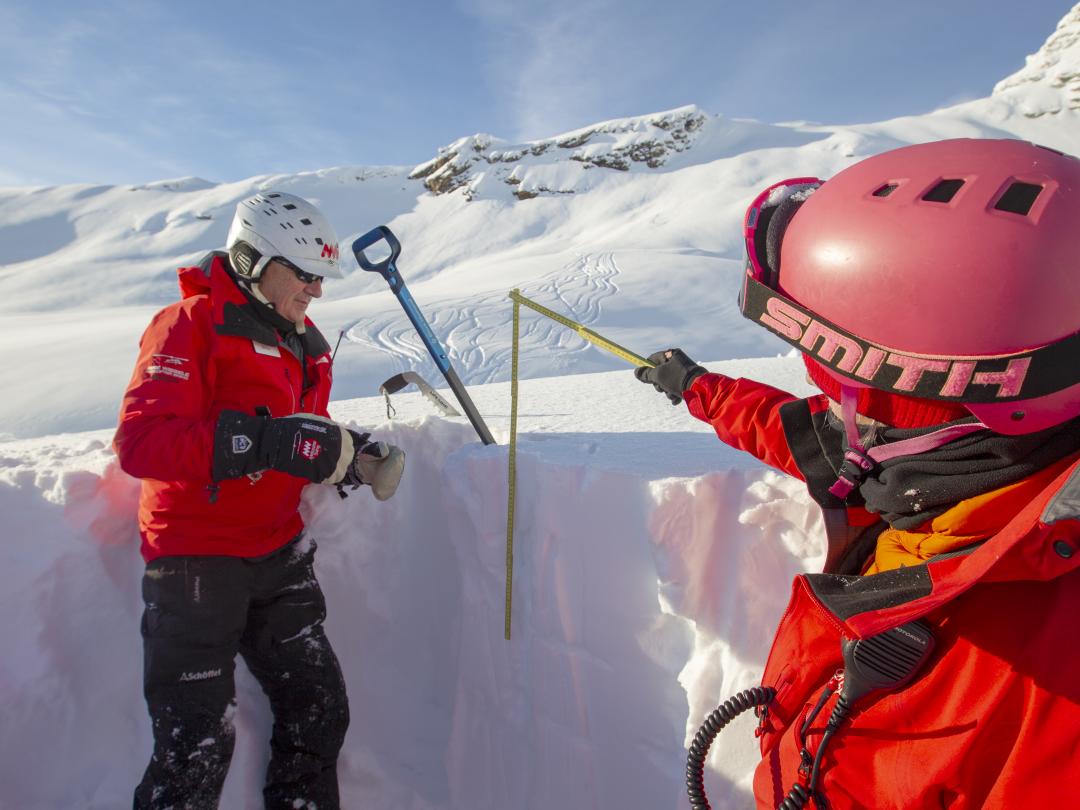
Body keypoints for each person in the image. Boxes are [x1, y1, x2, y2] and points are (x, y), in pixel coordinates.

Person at [636, 139, 1080, 808]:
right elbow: (801, 435)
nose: (838, 412)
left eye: (846, 390)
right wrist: (699, 387)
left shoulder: (1033, 678)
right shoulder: (971, 476)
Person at [113, 191, 405, 809]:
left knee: (319, 709)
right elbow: (143, 443)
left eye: (320, 277)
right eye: (305, 274)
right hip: (194, 558)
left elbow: (297, 432)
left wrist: (344, 456)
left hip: (278, 552)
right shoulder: (190, 323)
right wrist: (270, 441)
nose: (316, 290)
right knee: (195, 748)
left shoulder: (305, 343)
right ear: (254, 259)